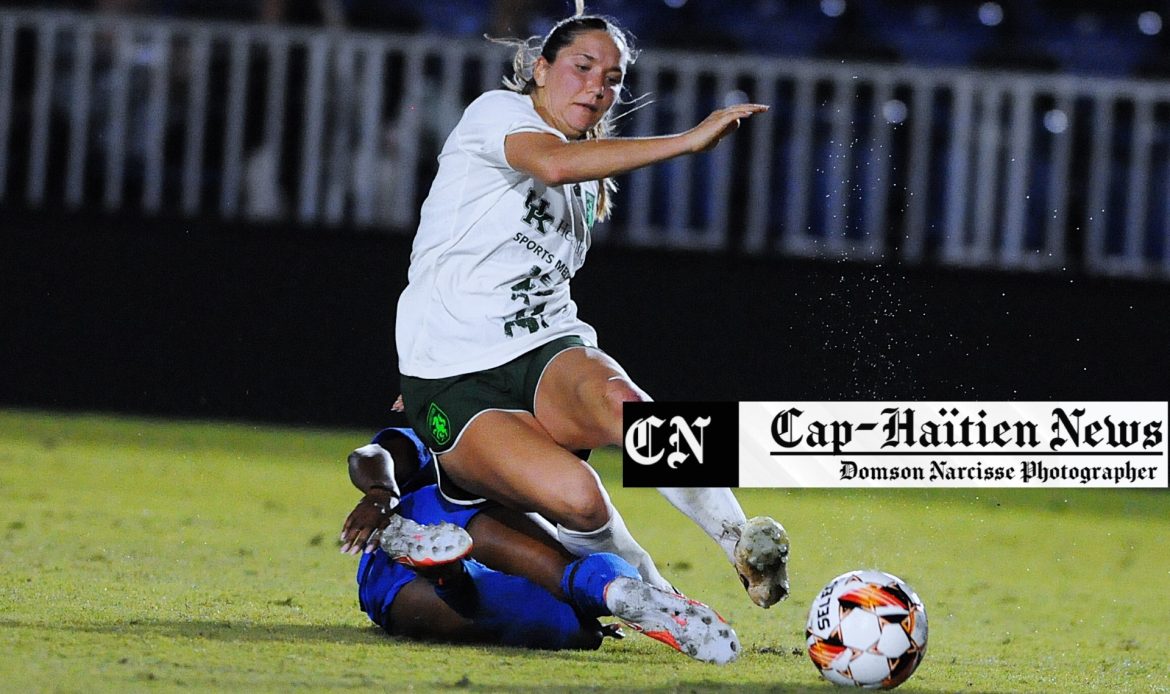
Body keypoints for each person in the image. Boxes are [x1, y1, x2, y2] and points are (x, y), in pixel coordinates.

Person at [392, 3, 790, 611]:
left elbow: (557, 196)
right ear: (542, 69)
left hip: (543, 345)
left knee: (628, 408)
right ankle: (663, 601)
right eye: (582, 66)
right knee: (579, 500)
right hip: (454, 374)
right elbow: (549, 163)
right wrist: (687, 141)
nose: (597, 86)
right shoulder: (498, 114)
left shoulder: (586, 180)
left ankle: (743, 541)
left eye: (611, 79)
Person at [339, 427, 739, 663]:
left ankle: (447, 574)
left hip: (399, 568)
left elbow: (370, 451)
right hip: (440, 512)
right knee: (566, 587)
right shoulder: (480, 429)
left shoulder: (465, 420)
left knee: (568, 627)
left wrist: (379, 493)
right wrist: (380, 493)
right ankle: (612, 591)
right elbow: (376, 452)